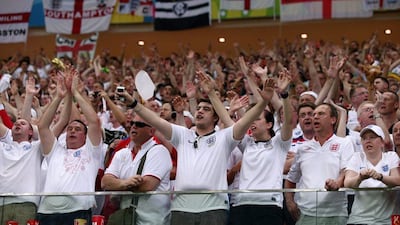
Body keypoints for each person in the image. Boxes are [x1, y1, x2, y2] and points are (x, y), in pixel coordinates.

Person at [124, 70, 271, 225]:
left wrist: (263, 102)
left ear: (215, 117)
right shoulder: (183, 135)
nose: (200, 111)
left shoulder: (225, 137)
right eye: (199, 108)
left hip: (214, 209)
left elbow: (245, 120)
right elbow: (155, 121)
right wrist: (134, 104)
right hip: (181, 209)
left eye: (206, 109)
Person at [37, 70, 103, 225]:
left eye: (78, 129)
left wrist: (75, 93)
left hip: (78, 211)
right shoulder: (55, 151)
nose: (72, 131)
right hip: (46, 212)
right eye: (70, 129)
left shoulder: (92, 151)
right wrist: (59, 97)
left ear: (86, 137)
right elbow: (42, 126)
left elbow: (94, 122)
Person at [231, 70, 292, 225]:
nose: (252, 122)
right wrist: (231, 111)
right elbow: (230, 125)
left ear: (269, 124)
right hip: (242, 205)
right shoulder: (247, 143)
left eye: (257, 119)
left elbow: (288, 122)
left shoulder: (279, 144)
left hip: (269, 206)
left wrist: (284, 95)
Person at [285, 103, 355, 225]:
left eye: (321, 114)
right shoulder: (303, 148)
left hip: (335, 214)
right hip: (306, 214)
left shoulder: (344, 143)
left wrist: (337, 183)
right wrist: (290, 202)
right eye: (314, 114)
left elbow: (347, 171)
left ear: (333, 120)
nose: (315, 117)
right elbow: (291, 179)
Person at [101, 114, 172, 225]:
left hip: (153, 220)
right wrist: (126, 183)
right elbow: (105, 183)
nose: (134, 127)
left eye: (139, 124)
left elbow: (146, 186)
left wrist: (118, 185)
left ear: (151, 131)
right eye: (132, 123)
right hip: (127, 218)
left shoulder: (159, 151)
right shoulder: (122, 153)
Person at [344, 125, 400, 224]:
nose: (368, 141)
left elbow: (397, 180)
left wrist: (380, 177)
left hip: (386, 221)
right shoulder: (357, 157)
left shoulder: (391, 156)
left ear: (382, 142)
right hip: (359, 220)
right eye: (364, 138)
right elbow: (347, 182)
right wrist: (360, 178)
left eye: (372, 137)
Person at [0, 108, 41, 224]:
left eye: (23, 124)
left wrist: (33, 126)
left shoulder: (36, 148)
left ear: (31, 132)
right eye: (15, 123)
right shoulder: (2, 147)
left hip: (26, 203)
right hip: (1, 202)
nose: (17, 124)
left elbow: (45, 131)